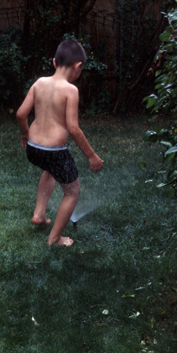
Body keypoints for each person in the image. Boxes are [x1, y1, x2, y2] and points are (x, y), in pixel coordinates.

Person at [16, 39, 104, 246]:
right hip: (54, 151)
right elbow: (73, 128)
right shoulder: (70, 90)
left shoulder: (39, 83)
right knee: (72, 191)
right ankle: (55, 238)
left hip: (34, 148)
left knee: (50, 170)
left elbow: (21, 114)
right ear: (78, 67)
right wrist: (91, 155)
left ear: (54, 62)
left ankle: (39, 214)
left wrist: (24, 135)